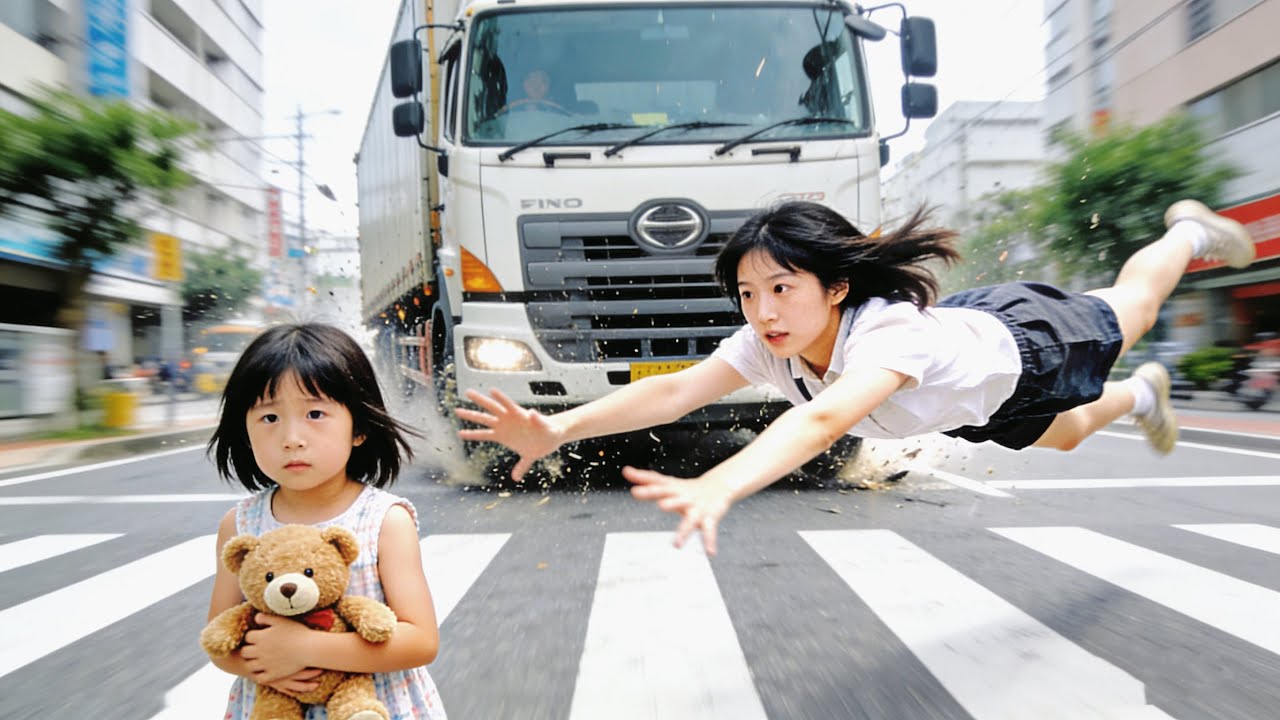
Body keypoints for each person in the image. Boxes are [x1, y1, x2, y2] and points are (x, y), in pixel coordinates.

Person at [457, 199, 1256, 555]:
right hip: (980, 397)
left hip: (1027, 346)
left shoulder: (884, 330)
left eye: (781, 289)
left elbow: (821, 421)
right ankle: (1144, 394)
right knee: (1075, 434)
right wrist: (557, 426)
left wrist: (723, 483)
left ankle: (1186, 230)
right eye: (746, 293)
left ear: (833, 286)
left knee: (1136, 305)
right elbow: (675, 389)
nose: (762, 311)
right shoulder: (769, 341)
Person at [206, 323, 447, 719]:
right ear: (244, 431)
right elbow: (220, 641)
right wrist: (268, 665)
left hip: (373, 704)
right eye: (269, 418)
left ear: (360, 429)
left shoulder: (385, 521)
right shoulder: (240, 525)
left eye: (315, 413)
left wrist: (303, 649)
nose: (292, 437)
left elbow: (420, 641)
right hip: (272, 704)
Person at [498, 69, 566, 114]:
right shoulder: (508, 107)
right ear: (523, 84)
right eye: (531, 80)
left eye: (543, 81)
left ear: (550, 85)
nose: (536, 86)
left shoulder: (562, 110)